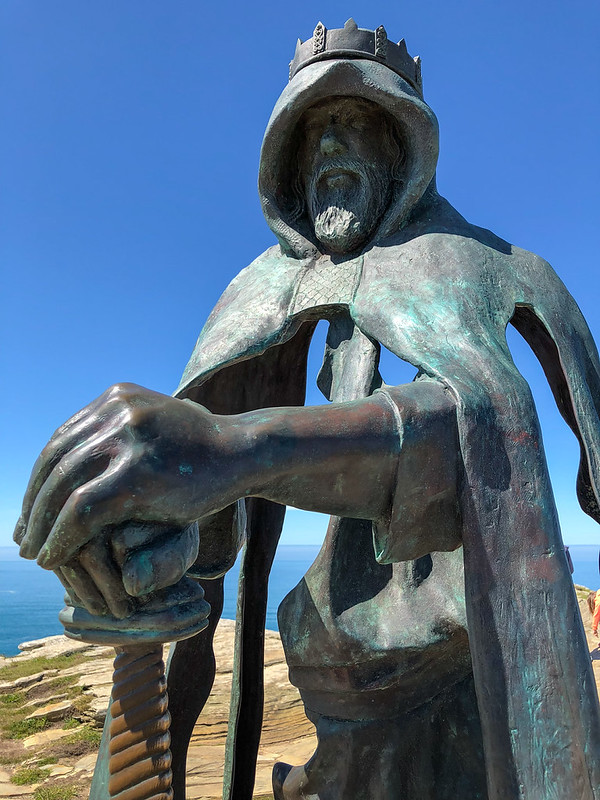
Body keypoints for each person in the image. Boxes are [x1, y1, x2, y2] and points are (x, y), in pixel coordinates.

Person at [14, 20, 600, 800]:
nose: (329, 146)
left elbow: (478, 426)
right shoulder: (252, 293)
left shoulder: (491, 269)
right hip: (327, 715)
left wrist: (238, 448)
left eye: (354, 121)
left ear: (404, 145)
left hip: (457, 709)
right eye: (311, 128)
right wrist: (135, 543)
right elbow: (199, 523)